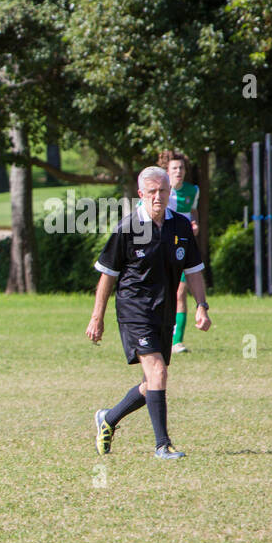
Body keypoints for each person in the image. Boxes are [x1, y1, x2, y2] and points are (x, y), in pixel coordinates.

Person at [87, 166, 211, 460]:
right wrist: (97, 317)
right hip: (134, 309)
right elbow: (107, 275)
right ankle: (162, 445)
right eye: (152, 191)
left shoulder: (180, 226)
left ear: (170, 193)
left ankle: (109, 417)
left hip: (164, 310)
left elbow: (193, 270)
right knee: (158, 371)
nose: (158, 196)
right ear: (141, 194)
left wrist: (201, 306)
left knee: (153, 381)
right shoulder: (128, 228)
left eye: (163, 191)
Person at [158, 150, 200, 354]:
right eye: (174, 168)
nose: (178, 171)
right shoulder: (160, 191)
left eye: (181, 168)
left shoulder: (192, 191)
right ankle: (160, 334)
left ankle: (177, 341)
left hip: (182, 247)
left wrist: (195, 224)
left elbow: (193, 211)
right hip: (162, 249)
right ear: (167, 170)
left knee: (180, 292)